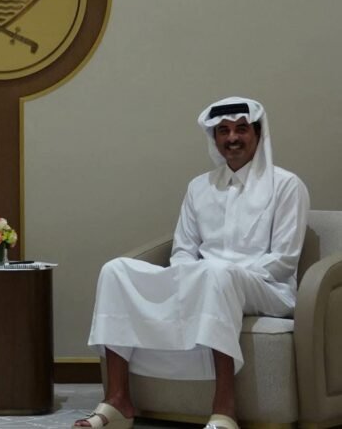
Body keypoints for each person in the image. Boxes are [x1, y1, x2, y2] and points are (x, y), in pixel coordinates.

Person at [74, 97, 309, 429]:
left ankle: (225, 411)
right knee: (115, 270)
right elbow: (183, 251)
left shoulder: (286, 185)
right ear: (214, 138)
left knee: (217, 274)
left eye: (241, 129)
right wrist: (192, 278)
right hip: (204, 279)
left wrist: (217, 277)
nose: (232, 138)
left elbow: (283, 261)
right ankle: (118, 401)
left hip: (268, 289)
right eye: (223, 131)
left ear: (257, 134)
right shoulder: (199, 187)